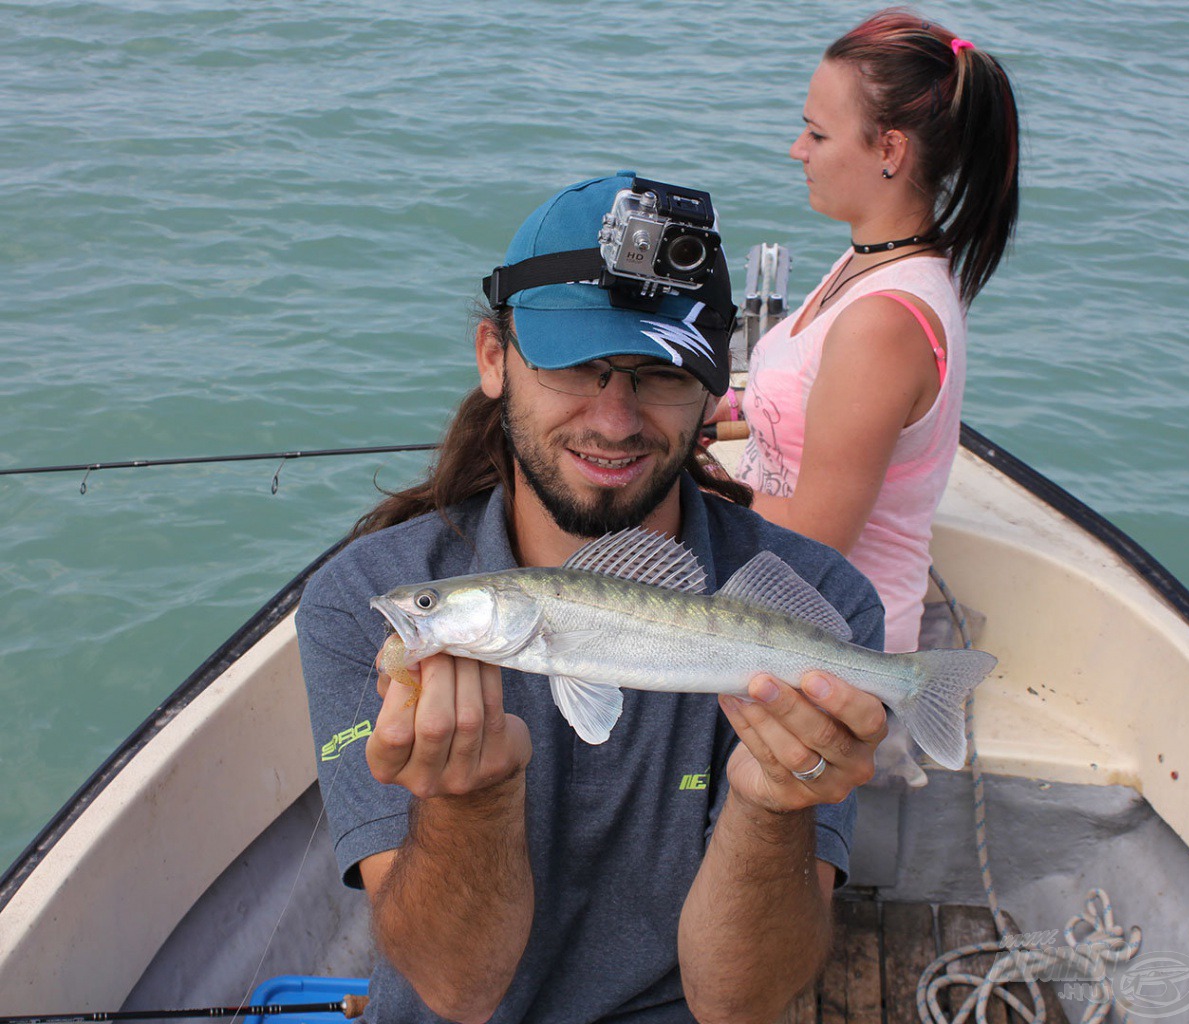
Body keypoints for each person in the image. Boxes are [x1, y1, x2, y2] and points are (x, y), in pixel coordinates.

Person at [296, 170, 889, 1024]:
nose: (614, 420)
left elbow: (743, 1002)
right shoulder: (360, 600)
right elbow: (455, 990)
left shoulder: (822, 603)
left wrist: (771, 802)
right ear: (494, 359)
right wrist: (471, 801)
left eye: (657, 374)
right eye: (577, 366)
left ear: (714, 388)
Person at [721, 9, 1020, 655]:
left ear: (889, 149)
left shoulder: (883, 322)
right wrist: (715, 411)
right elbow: (809, 407)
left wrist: (686, 477)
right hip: (777, 619)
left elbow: (815, 541)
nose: (797, 150)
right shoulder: (875, 259)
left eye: (817, 134)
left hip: (835, 648)